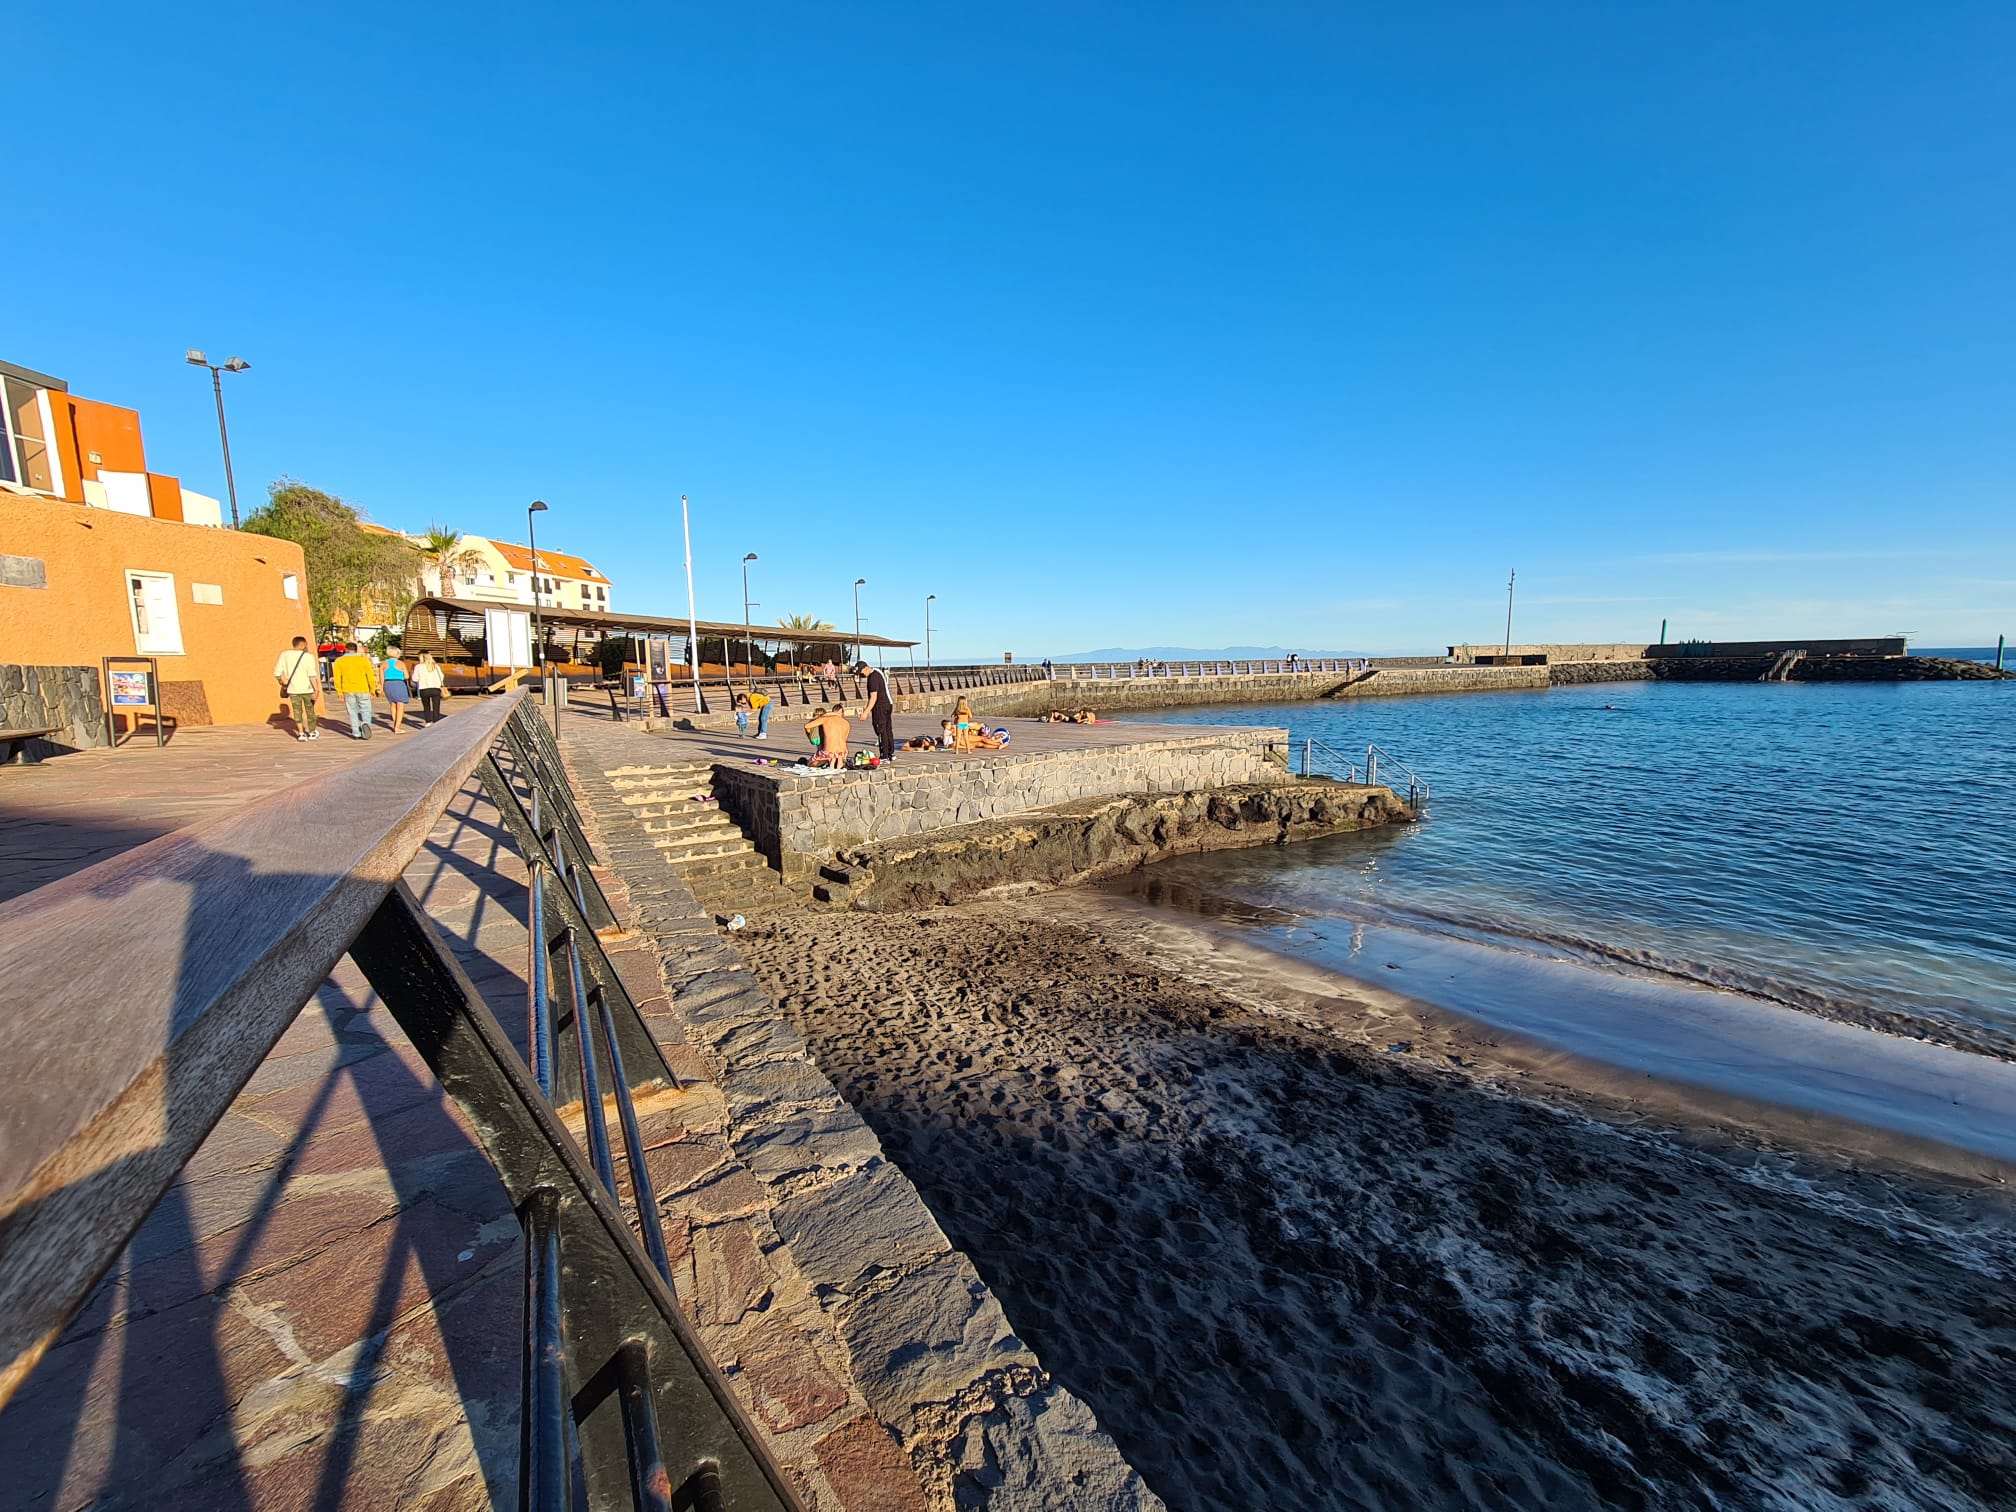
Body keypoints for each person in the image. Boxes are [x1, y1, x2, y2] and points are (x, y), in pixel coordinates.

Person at [273, 635, 322, 741]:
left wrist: (282, 681)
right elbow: (312, 675)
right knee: (310, 711)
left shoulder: (285, 655)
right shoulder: (308, 657)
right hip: (307, 689)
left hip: (293, 689)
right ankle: (312, 732)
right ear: (302, 645)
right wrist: (316, 690)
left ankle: (301, 733)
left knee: (297, 711)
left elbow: (277, 672)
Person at [331, 641, 379, 739]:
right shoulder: (364, 660)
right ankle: (365, 723)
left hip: (348, 689)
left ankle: (356, 733)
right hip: (363, 688)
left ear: (346, 649)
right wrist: (372, 689)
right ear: (356, 649)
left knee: (352, 711)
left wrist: (339, 692)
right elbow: (370, 676)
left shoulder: (339, 661)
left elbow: (337, 678)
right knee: (366, 709)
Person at [856, 661, 895, 762]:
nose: (861, 675)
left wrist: (866, 712)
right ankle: (891, 753)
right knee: (887, 729)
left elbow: (873, 697)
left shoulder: (872, 678)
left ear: (866, 668)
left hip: (880, 707)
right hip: (888, 704)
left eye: (861, 672)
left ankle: (884, 755)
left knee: (880, 730)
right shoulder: (877, 672)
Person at [381, 646, 411, 733]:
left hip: (388, 684)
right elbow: (406, 676)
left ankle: (395, 724)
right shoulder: (400, 663)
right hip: (398, 684)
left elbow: (381, 677)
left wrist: (382, 687)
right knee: (400, 705)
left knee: (392, 704)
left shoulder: (383, 663)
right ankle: (397, 727)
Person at [412, 652, 446, 722]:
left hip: (424, 689)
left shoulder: (418, 667)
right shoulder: (436, 666)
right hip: (436, 688)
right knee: (436, 707)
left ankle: (428, 721)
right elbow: (441, 677)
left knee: (426, 706)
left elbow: (415, 679)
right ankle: (436, 721)